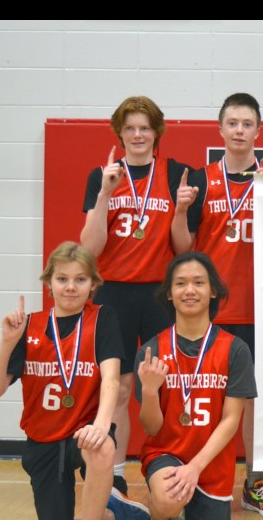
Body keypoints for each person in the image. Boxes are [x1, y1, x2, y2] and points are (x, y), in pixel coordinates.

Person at [0, 242, 149, 520]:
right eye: (62, 279)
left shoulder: (102, 318)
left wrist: (102, 426)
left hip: (83, 433)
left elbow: (112, 379)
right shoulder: (29, 327)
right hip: (42, 440)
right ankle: (113, 511)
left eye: (80, 279)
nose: (71, 287)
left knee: (102, 448)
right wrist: (7, 343)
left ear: (93, 284)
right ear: (49, 282)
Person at [181, 93, 263, 519]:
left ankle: (254, 482)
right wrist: (180, 209)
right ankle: (202, 478)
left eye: (248, 124)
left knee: (256, 404)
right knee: (208, 399)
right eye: (233, 123)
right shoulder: (202, 181)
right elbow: (182, 246)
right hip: (214, 313)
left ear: (258, 132)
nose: (240, 130)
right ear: (221, 129)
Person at [80, 96, 193, 495]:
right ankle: (113, 474)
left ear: (156, 132)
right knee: (121, 386)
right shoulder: (104, 175)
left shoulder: (176, 173)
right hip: (114, 295)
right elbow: (89, 248)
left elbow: (184, 249)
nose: (138, 135)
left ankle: (168, 465)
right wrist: (105, 196)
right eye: (130, 128)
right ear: (120, 133)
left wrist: (180, 211)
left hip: (159, 296)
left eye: (145, 127)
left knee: (161, 386)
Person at [135, 252, 256, 520]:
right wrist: (149, 390)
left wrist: (196, 467)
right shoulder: (152, 350)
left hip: (211, 463)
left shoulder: (235, 349)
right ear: (170, 293)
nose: (190, 290)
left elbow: (232, 419)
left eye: (198, 283)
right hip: (167, 453)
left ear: (213, 291)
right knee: (168, 496)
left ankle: (186, 515)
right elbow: (151, 426)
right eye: (181, 283)